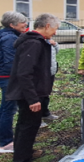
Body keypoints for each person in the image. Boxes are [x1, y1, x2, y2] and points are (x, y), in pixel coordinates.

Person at [6, 13, 60, 161]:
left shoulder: (37, 41)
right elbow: (24, 73)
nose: (55, 32)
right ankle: (22, 157)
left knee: (27, 126)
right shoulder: (33, 43)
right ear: (47, 26)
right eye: (55, 28)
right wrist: (32, 99)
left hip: (34, 92)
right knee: (27, 127)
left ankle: (24, 152)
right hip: (30, 95)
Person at [0, 11, 27, 153]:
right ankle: (5, 143)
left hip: (5, 77)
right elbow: (11, 61)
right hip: (8, 78)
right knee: (8, 109)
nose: (25, 24)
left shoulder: (7, 35)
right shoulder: (9, 38)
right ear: (12, 24)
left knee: (5, 109)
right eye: (22, 22)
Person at [40, 38, 60, 129]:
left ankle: (45, 113)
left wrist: (55, 44)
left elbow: (57, 51)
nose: (55, 32)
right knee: (39, 95)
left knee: (46, 93)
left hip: (51, 71)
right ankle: (37, 119)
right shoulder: (38, 42)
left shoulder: (50, 40)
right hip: (42, 73)